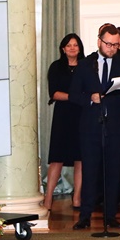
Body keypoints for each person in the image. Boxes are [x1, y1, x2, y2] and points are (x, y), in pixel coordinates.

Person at [70, 24, 120, 230]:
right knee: (90, 171)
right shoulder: (85, 64)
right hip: (91, 127)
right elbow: (73, 95)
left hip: (116, 126)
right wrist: (90, 99)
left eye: (116, 45)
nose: (112, 48)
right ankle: (85, 216)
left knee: (114, 172)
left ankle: (110, 216)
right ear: (99, 41)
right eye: (109, 44)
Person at [43, 33, 84, 211]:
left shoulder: (86, 66)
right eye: (69, 45)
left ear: (80, 48)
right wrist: (75, 97)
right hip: (62, 116)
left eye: (75, 45)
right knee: (57, 159)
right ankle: (48, 199)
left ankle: (77, 198)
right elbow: (54, 93)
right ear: (63, 49)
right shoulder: (56, 67)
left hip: (82, 115)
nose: (72, 48)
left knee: (81, 159)